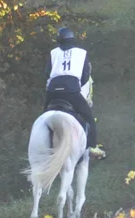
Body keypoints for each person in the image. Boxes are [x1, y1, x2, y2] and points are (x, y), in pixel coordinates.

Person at [45, 27, 106, 159]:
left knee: (44, 118)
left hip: (52, 91)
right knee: (89, 118)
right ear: (73, 39)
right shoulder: (82, 53)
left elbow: (47, 73)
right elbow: (85, 76)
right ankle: (92, 146)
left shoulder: (53, 53)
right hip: (71, 90)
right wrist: (76, 86)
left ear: (59, 40)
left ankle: (44, 147)